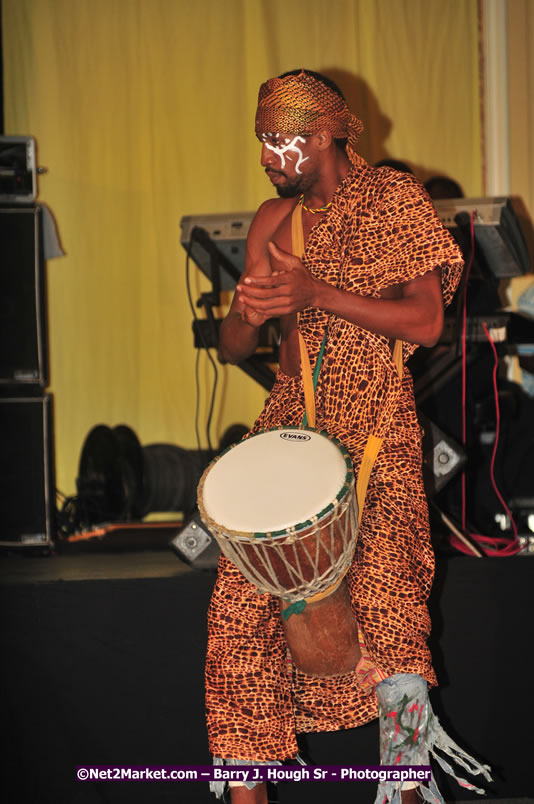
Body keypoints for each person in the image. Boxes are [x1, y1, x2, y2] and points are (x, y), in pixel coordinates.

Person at [205, 69, 491, 804]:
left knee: (393, 617)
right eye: (263, 139)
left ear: (328, 134)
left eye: (284, 140)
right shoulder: (273, 220)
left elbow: (427, 323)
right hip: (290, 428)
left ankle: (400, 793)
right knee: (238, 621)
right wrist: (246, 312)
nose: (270, 155)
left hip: (375, 430)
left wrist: (317, 294)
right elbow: (236, 347)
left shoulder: (396, 200)